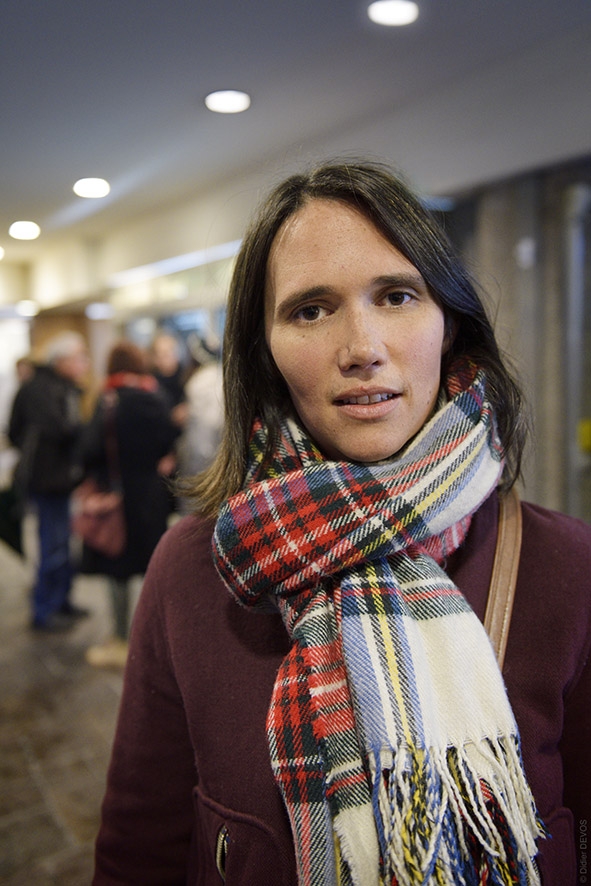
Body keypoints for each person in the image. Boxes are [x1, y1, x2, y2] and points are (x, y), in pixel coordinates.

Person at [92, 162, 591, 886]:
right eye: (310, 310)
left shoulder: (566, 566)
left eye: (395, 296)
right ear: (262, 348)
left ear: (448, 323)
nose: (361, 347)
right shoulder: (191, 572)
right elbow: (140, 845)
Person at [77, 340, 181, 668]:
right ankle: (157, 641)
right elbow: (168, 440)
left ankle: (121, 640)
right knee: (154, 568)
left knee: (119, 572)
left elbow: (89, 449)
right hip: (152, 495)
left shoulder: (108, 401)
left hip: (119, 497)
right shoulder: (155, 397)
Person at [8, 331, 89, 631]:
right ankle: (44, 610)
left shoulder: (62, 387)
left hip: (60, 480)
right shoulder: (42, 389)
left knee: (63, 546)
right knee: (52, 546)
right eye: (80, 357)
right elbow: (62, 431)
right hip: (47, 481)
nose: (85, 363)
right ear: (63, 360)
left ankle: (61, 602)